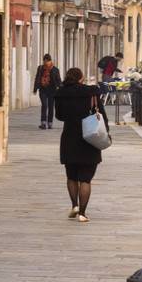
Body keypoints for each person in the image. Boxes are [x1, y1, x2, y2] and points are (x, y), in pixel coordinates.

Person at [54, 66, 110, 222]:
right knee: (85, 178)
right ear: (81, 78)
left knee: (71, 176)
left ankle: (74, 206)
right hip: (89, 138)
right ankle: (82, 214)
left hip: (69, 138)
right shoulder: (91, 92)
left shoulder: (61, 93)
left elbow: (59, 116)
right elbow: (102, 115)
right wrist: (106, 131)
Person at [33, 54, 61, 129]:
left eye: (47, 61)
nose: (45, 63)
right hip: (43, 90)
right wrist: (35, 88)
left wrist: (60, 89)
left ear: (50, 61)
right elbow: (37, 78)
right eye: (44, 61)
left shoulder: (55, 69)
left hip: (52, 90)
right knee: (44, 105)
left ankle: (50, 123)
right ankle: (43, 123)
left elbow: (58, 80)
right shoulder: (40, 68)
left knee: (51, 106)